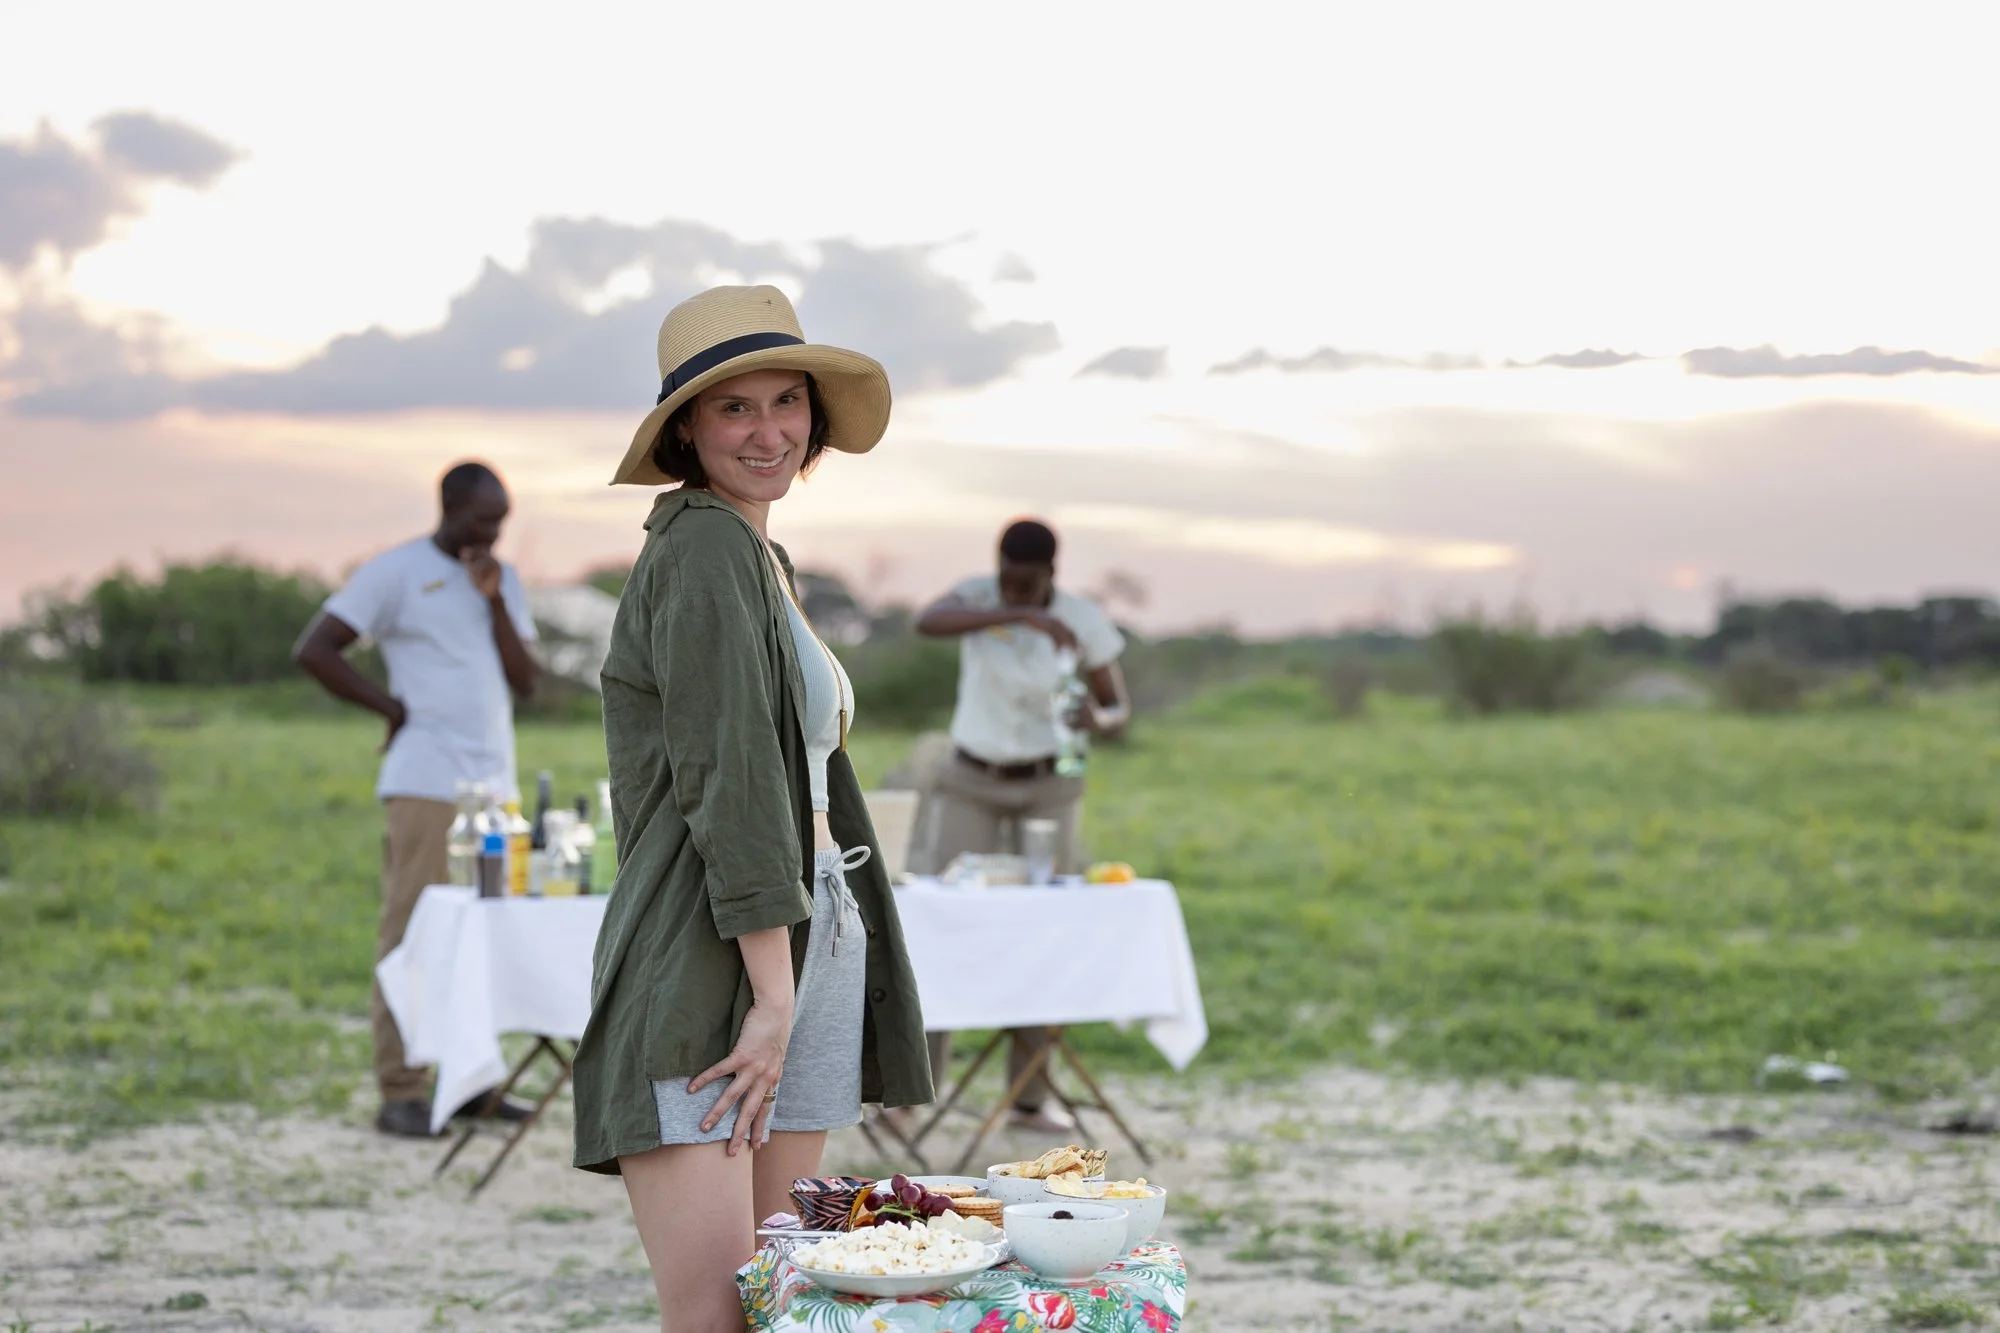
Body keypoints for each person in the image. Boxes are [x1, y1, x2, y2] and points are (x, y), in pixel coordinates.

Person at [572, 285, 932, 1333]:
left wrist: (802, 976)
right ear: (686, 424)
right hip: (715, 949)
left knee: (789, 1303)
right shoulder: (699, 550)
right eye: (734, 408)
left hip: (811, 926)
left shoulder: (759, 556)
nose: (767, 430)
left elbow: (801, 778)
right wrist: (768, 999)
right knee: (721, 1316)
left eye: (786, 401)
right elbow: (727, 784)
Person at [292, 461, 541, 1138]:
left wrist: (490, 598)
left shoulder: (501, 579)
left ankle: (471, 1084)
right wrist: (391, 708)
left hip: (496, 785)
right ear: (449, 507)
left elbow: (528, 682)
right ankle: (401, 1088)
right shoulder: (395, 572)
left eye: (499, 523)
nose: (489, 534)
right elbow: (316, 648)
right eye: (479, 521)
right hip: (428, 781)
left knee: (483, 935)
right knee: (412, 931)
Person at [914, 518, 1131, 1132]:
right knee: (942, 914)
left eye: (1029, 587)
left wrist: (1100, 718)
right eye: (1008, 579)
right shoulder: (977, 597)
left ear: (1051, 575)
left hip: (1048, 782)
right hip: (970, 778)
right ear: (997, 565)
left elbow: (1117, 707)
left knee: (1048, 924)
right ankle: (916, 1092)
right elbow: (927, 622)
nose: (1015, 590)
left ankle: (1030, 1099)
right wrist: (1020, 618)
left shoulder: (1084, 619)